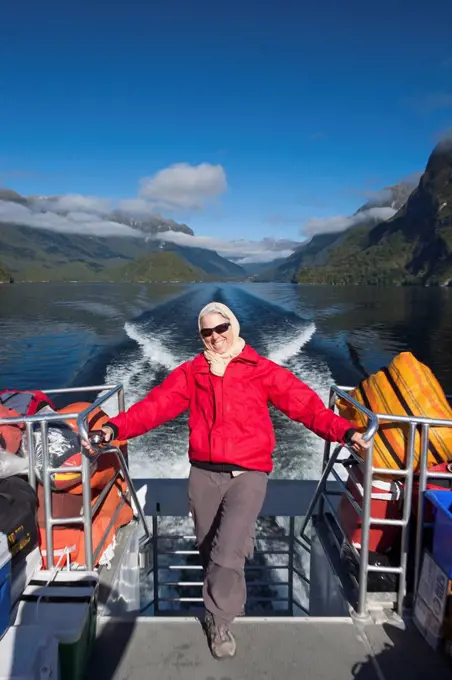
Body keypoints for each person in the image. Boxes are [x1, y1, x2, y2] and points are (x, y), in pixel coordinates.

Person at [95, 302, 368, 660]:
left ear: (233, 326)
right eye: (207, 332)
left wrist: (344, 432)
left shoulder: (262, 370)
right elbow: (155, 407)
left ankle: (218, 619)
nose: (215, 337)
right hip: (204, 473)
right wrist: (115, 427)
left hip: (248, 474)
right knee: (210, 547)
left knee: (226, 554)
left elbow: (306, 406)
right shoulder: (192, 373)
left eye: (221, 328)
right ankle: (236, 553)